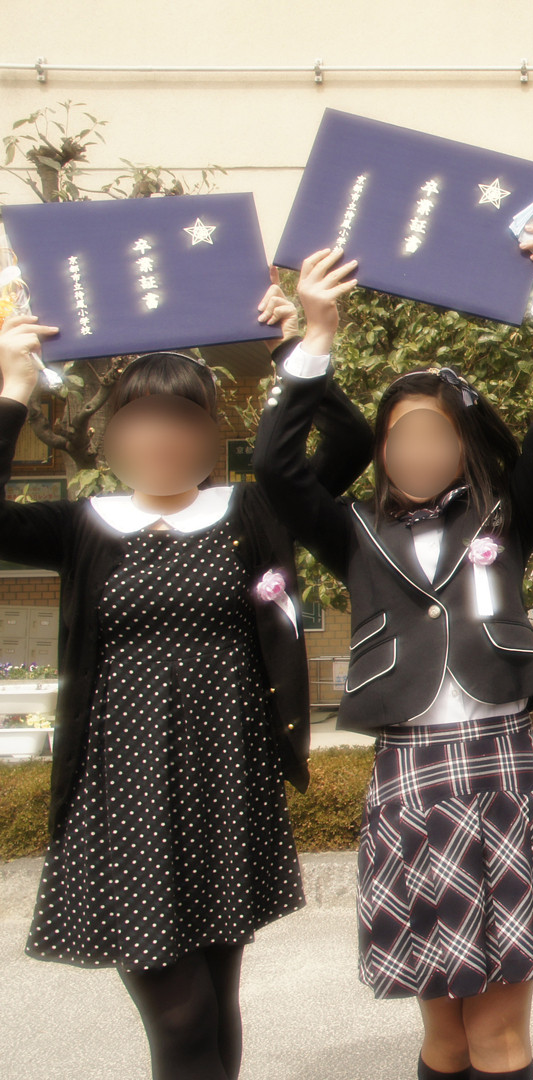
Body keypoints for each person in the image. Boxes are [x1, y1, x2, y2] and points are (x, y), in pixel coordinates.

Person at [253, 223, 533, 1080]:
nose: (418, 452)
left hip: (504, 772)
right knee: (444, 1038)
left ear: (465, 444)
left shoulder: (504, 515)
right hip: (408, 781)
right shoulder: (353, 530)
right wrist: (313, 336)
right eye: (401, 437)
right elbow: (277, 468)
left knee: (499, 1037)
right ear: (381, 449)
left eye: (437, 436)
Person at [2, 284, 373, 1080]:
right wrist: (14, 387)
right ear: (114, 433)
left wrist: (299, 344)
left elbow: (347, 444)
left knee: (219, 1003)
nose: (160, 436)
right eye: (141, 419)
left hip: (226, 785)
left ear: (207, 431)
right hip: (123, 796)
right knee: (183, 1017)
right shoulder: (84, 525)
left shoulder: (252, 510)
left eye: (180, 418)